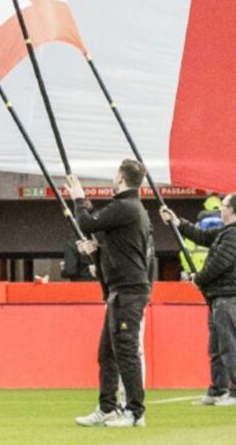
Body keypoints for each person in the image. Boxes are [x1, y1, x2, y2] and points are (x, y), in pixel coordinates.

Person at [67, 159, 157, 429]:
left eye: (115, 175)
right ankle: (108, 408)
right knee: (107, 352)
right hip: (122, 290)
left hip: (127, 291)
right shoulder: (130, 210)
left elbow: (86, 222)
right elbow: (119, 247)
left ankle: (135, 412)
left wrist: (79, 199)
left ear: (121, 178)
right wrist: (96, 252)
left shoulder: (125, 207)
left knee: (126, 351)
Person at [165, 193, 236, 406]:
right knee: (217, 346)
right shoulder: (231, 232)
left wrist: (200, 278)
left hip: (230, 297)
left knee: (230, 345)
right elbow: (204, 237)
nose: (220, 210)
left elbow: (220, 263)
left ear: (231, 210)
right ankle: (218, 390)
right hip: (222, 296)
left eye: (223, 206)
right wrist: (178, 223)